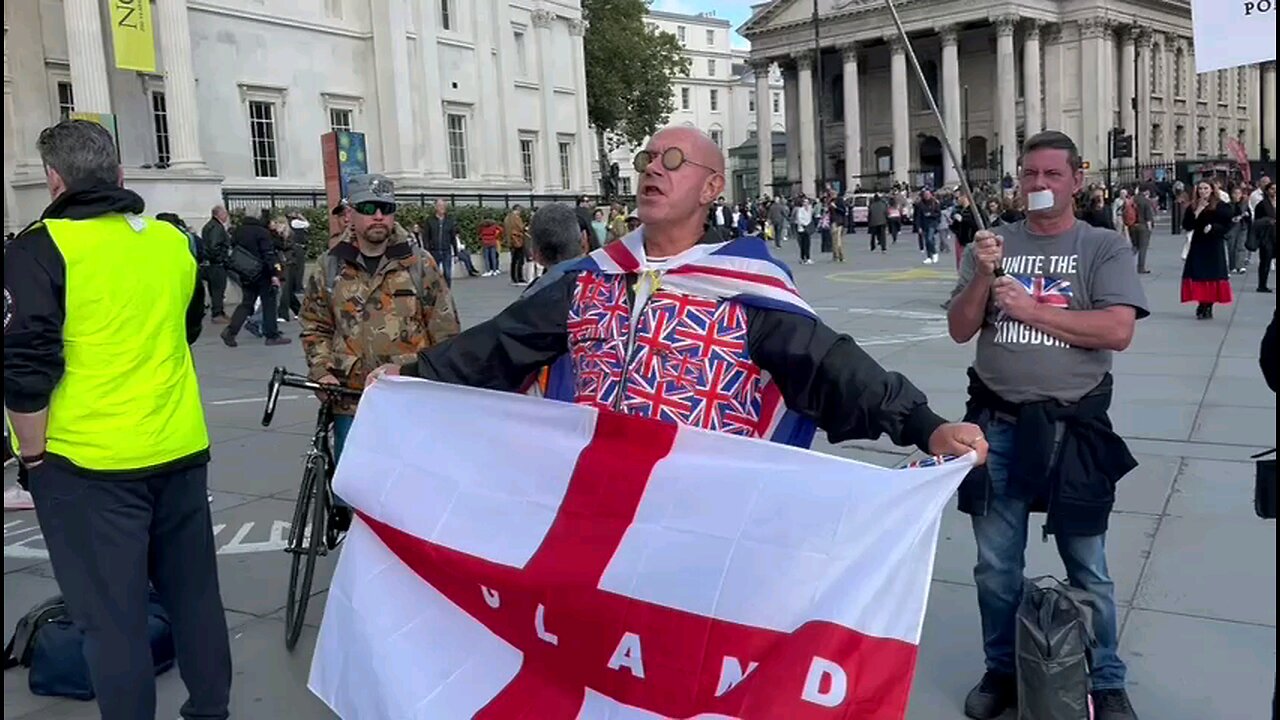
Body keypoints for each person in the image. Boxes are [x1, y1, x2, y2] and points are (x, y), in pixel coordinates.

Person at [368, 124, 987, 466]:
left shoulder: (744, 286)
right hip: (596, 492)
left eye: (672, 160)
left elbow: (830, 365)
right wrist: (415, 374)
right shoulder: (597, 275)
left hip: (701, 506)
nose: (651, 169)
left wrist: (924, 425)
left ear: (713, 186)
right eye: (646, 158)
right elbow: (503, 344)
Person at [3, 119, 231, 720]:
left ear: (54, 181)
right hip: (178, 448)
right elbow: (185, 328)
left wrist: (31, 458)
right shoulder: (169, 241)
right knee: (195, 600)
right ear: (120, 174)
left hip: (88, 465)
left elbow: (25, 370)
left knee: (112, 622)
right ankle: (210, 710)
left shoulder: (36, 250)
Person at [946, 131, 1146, 720]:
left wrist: (1031, 310)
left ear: (1075, 182)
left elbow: (1117, 331)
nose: (1038, 185)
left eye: (1052, 175)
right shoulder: (992, 244)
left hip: (1075, 426)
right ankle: (1002, 669)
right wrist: (982, 277)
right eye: (1029, 174)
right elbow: (961, 329)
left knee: (1089, 563)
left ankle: (1105, 677)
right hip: (998, 424)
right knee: (995, 565)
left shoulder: (1102, 245)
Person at [299, 173, 460, 524]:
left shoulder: (420, 264)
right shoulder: (329, 267)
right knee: (357, 498)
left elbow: (446, 332)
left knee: (413, 498)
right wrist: (322, 370)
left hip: (410, 402)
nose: (378, 217)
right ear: (349, 214)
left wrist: (442, 390)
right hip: (350, 401)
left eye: (386, 209)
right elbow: (315, 326)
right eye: (368, 208)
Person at [220, 210, 290, 346]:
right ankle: (271, 335)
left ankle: (231, 331)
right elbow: (268, 254)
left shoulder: (238, 231)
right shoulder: (262, 232)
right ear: (258, 216)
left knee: (246, 303)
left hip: (245, 272)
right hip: (262, 272)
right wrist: (274, 274)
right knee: (269, 303)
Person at [1181, 180, 1234, 319]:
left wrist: (1214, 227)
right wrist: (1198, 211)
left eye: (1205, 188)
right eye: (1200, 189)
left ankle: (1209, 305)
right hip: (1199, 244)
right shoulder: (1193, 206)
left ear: (1211, 190)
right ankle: (1202, 303)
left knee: (1212, 275)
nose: (1203, 191)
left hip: (1214, 244)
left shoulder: (1221, 206)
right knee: (1199, 274)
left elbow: (1228, 223)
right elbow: (1187, 225)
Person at [200, 204, 232, 322]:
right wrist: (221, 258)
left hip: (212, 264)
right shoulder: (216, 227)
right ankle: (217, 313)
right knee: (218, 290)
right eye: (225, 214)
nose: (226, 216)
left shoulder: (210, 226)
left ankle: (219, 312)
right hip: (216, 264)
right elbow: (214, 246)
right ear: (219, 214)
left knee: (216, 290)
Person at [423, 198, 460, 286]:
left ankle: (447, 293)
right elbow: (426, 237)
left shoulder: (449, 221)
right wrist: (426, 252)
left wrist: (456, 254)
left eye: (444, 206)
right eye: (440, 206)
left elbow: (453, 238)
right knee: (433, 274)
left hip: (446, 251)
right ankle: (435, 294)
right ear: (436, 207)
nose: (442, 208)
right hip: (434, 251)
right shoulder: (430, 220)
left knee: (447, 274)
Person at [1131, 188, 1156, 274]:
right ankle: (1141, 267)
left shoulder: (1132, 199)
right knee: (1142, 248)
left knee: (1134, 247)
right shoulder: (1145, 201)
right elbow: (1148, 217)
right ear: (1145, 191)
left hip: (1132, 225)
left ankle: (1125, 262)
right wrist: (1149, 229)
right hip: (1142, 226)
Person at [504, 204, 528, 285]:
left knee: (514, 260)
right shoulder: (516, 218)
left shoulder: (507, 218)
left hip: (511, 241)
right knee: (520, 260)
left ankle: (514, 277)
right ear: (517, 210)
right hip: (517, 240)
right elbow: (520, 228)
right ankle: (519, 277)